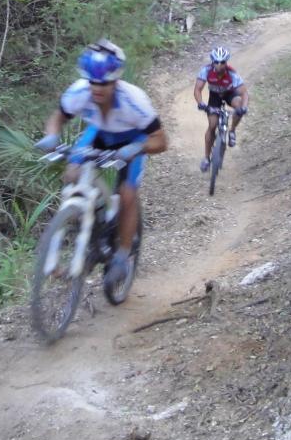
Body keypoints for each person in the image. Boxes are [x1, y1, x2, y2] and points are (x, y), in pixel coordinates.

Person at [35, 39, 167, 287]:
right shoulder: (78, 92)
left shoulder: (135, 101)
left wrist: (136, 148)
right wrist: (51, 136)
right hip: (99, 133)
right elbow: (58, 118)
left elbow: (161, 140)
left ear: (116, 80)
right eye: (92, 81)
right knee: (72, 174)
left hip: (132, 138)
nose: (97, 88)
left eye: (104, 83)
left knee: (127, 194)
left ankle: (122, 255)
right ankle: (83, 220)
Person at [193, 46, 248, 172]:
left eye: (222, 62)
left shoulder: (232, 73)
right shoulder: (206, 71)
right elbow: (197, 89)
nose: (219, 65)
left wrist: (243, 108)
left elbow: (244, 93)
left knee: (238, 105)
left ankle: (232, 131)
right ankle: (206, 158)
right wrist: (201, 103)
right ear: (212, 62)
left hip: (230, 94)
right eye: (216, 62)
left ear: (226, 62)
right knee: (212, 126)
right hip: (215, 97)